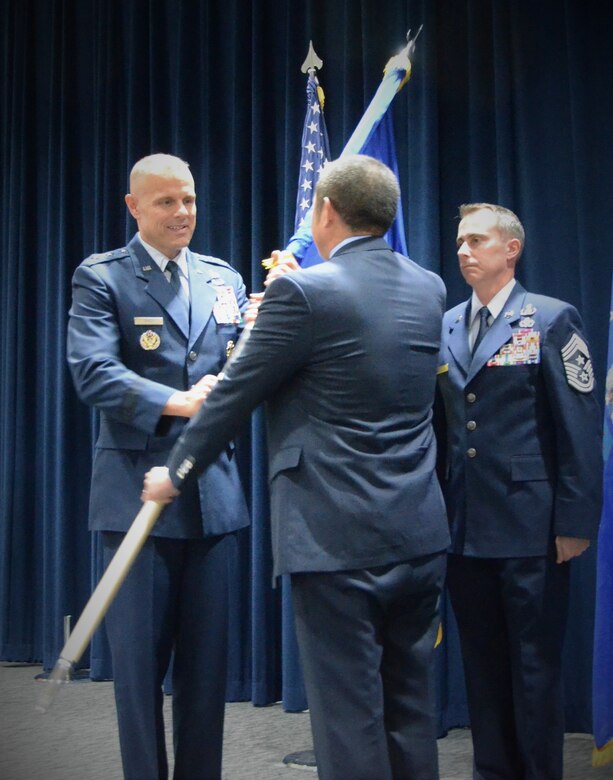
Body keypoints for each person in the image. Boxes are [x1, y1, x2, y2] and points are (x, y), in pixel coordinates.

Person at [143, 154, 451, 780]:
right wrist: (277, 315)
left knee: (350, 720)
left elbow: (235, 395)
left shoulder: (304, 291)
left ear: (325, 212)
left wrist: (176, 471)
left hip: (335, 540)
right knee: (409, 712)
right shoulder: (430, 287)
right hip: (417, 532)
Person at [67, 153, 250, 780]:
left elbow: (244, 365)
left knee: (206, 679)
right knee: (139, 678)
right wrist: (178, 400)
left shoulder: (224, 279)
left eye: (190, 200)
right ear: (135, 207)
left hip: (212, 498)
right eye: (167, 201)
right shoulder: (103, 277)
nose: (183, 213)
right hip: (136, 497)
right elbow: (92, 371)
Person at [436, 203, 602, 780]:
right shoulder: (448, 324)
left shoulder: (551, 319)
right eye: (460, 241)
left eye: (476, 240)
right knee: (482, 670)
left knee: (534, 672)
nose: (463, 250)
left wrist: (575, 523)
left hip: (533, 529)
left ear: (511, 249)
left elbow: (578, 428)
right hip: (464, 529)